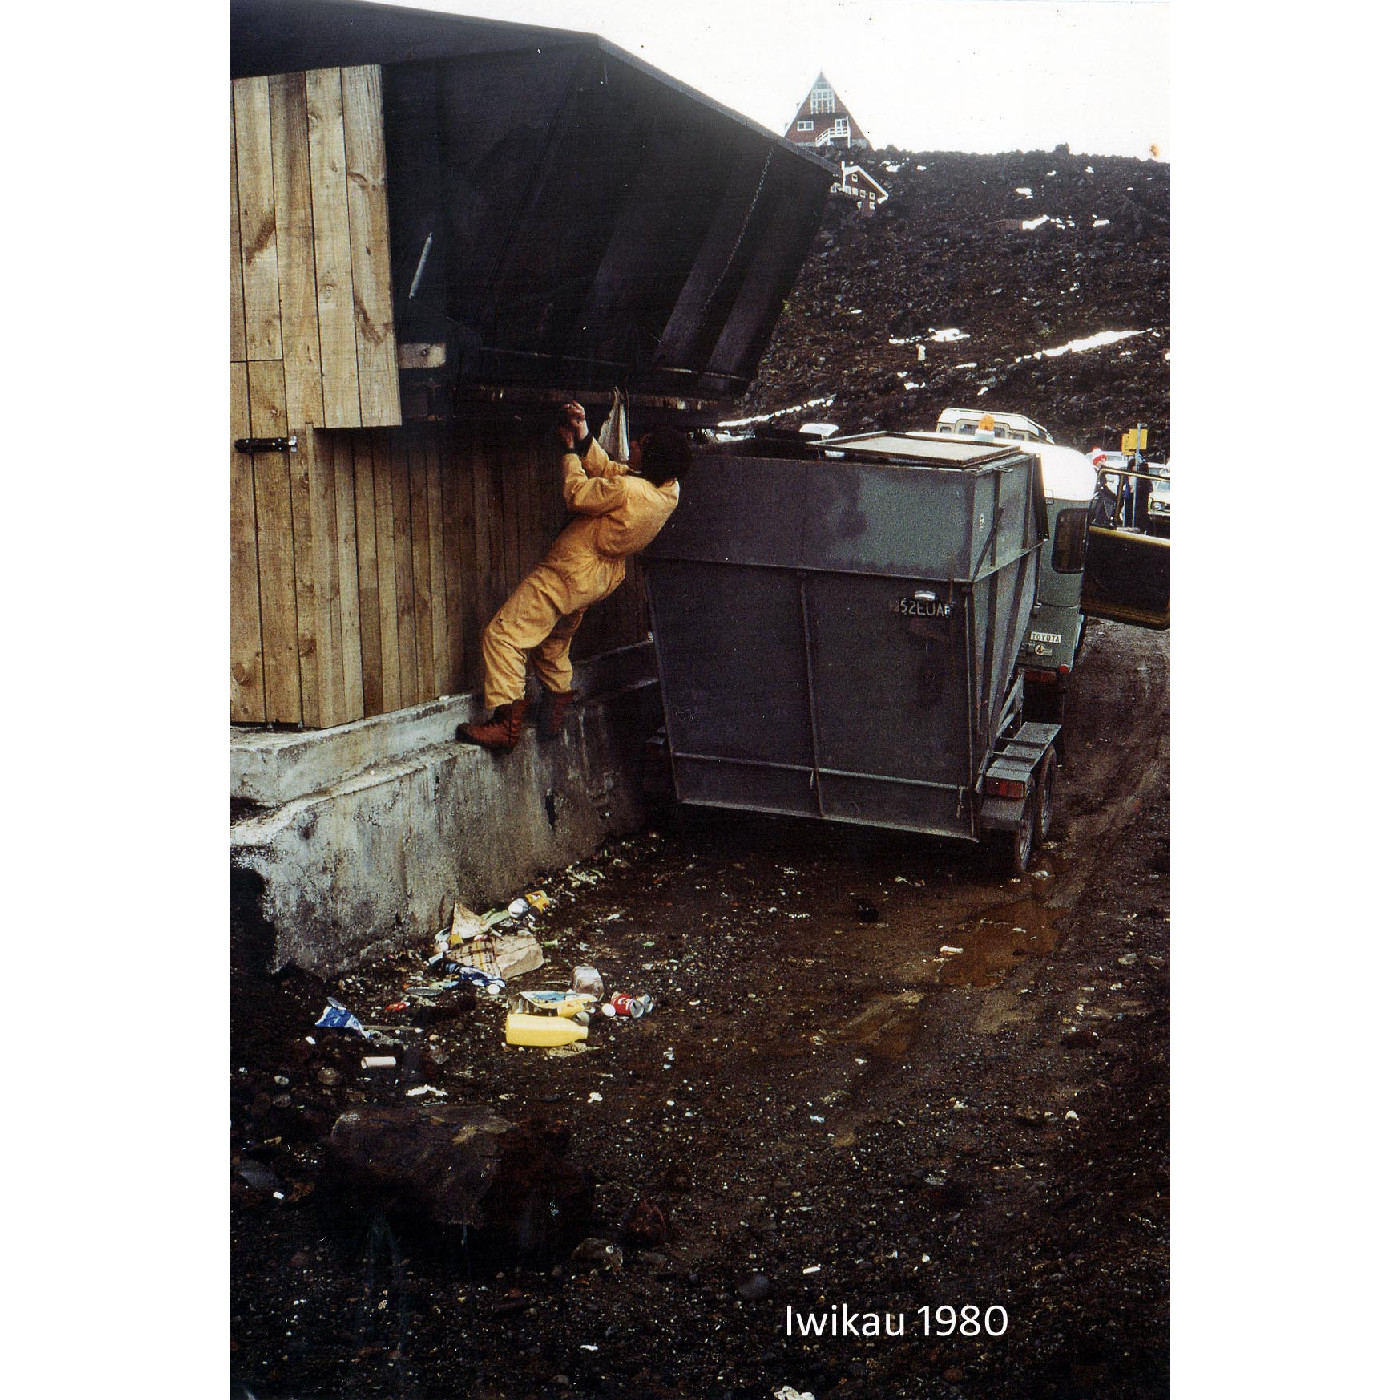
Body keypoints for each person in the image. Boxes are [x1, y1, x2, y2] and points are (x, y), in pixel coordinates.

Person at [457, 400, 692, 752]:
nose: (635, 447)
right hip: (598, 579)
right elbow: (615, 473)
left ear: (651, 457)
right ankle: (554, 708)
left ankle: (506, 724)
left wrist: (568, 452)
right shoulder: (666, 491)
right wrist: (583, 435)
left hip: (568, 572)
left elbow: (578, 494)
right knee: (552, 643)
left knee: (503, 635)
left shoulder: (628, 491)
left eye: (641, 444)